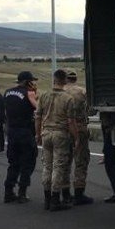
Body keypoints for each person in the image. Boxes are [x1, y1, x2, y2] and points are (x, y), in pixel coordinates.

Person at [35, 69, 79, 211]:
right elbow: (71, 122)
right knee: (59, 166)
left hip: (46, 132)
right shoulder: (68, 98)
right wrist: (76, 137)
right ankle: (55, 199)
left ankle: (47, 198)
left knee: (47, 166)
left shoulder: (44, 96)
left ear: (54, 80)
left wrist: (38, 134)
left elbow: (38, 118)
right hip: (60, 134)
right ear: (65, 81)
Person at [2, 71, 39, 203]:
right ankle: (22, 192)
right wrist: (35, 94)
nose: (33, 83)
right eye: (32, 81)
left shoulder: (7, 92)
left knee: (13, 163)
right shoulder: (29, 93)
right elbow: (38, 108)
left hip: (11, 131)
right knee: (28, 162)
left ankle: (8, 191)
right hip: (25, 131)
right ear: (27, 81)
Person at [64, 69, 93, 205]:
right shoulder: (82, 92)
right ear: (75, 78)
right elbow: (91, 109)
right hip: (79, 127)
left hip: (62, 129)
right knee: (81, 160)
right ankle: (79, 193)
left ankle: (64, 192)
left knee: (64, 161)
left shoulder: (57, 92)